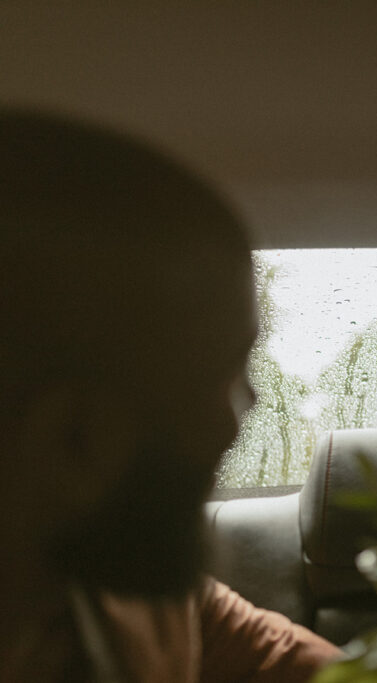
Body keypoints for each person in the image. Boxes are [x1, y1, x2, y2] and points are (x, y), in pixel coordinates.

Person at [0, 109, 339, 681]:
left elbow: (258, 645)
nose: (239, 420)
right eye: (223, 379)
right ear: (75, 438)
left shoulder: (117, 577)